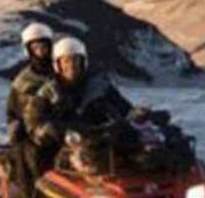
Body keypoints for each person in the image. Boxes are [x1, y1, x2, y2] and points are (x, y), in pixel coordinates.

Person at [22, 36, 133, 178]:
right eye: (66, 61)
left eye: (76, 60)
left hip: (98, 141)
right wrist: (46, 129)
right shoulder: (48, 92)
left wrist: (136, 115)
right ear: (58, 64)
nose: (72, 65)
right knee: (34, 158)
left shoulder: (99, 87)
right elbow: (33, 119)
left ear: (83, 62)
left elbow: (124, 108)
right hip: (62, 145)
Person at [6, 23, 54, 143]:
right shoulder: (22, 81)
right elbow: (12, 112)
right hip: (33, 135)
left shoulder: (62, 72)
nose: (41, 51)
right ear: (29, 50)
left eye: (44, 46)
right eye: (35, 48)